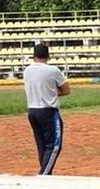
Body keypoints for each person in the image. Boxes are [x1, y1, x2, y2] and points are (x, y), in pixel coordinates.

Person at [23, 43, 70, 175]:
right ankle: (44, 176)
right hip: (48, 111)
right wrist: (53, 93)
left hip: (32, 110)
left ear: (33, 56)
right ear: (48, 56)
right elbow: (66, 90)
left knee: (42, 146)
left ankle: (46, 173)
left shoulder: (27, 71)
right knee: (54, 145)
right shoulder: (52, 70)